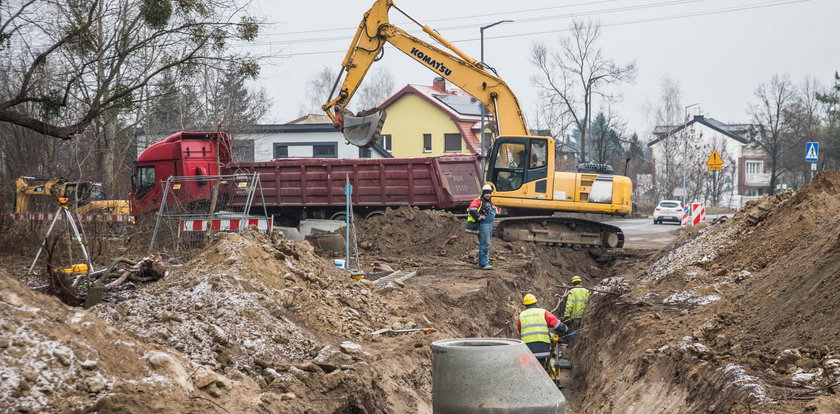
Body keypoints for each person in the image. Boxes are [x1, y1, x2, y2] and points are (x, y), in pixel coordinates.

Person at [516, 294, 568, 366]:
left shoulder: (521, 315)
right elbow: (556, 324)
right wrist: (565, 329)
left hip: (527, 348)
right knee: (541, 367)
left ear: (525, 305)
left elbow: (519, 330)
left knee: (529, 368)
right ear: (535, 302)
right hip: (542, 347)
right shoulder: (543, 312)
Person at [467, 184, 496, 270]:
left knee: (487, 244)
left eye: (489, 193)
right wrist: (479, 217)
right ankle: (484, 264)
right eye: (486, 193)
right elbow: (472, 209)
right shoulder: (479, 200)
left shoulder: (489, 202)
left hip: (489, 224)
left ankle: (482, 263)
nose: (488, 195)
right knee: (485, 244)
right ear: (483, 193)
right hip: (484, 225)